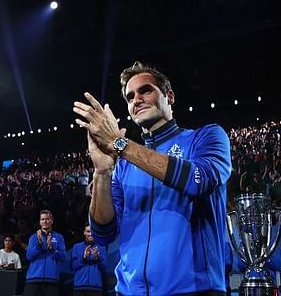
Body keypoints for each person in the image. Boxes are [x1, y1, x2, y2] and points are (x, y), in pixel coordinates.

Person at [73, 61, 232, 296]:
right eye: (129, 97)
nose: (136, 99)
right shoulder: (124, 165)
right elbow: (103, 234)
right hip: (128, 291)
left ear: (169, 97)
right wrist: (102, 172)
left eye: (145, 90)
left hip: (194, 290)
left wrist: (121, 145)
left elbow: (199, 180)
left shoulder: (206, 137)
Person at [23, 210, 66, 296]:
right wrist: (39, 246)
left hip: (52, 280)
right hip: (33, 279)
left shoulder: (59, 237)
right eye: (42, 219)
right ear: (39, 222)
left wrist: (52, 249)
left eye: (47, 219)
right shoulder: (33, 237)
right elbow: (29, 257)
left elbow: (63, 257)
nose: (45, 221)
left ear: (52, 221)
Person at [71, 222, 107, 296]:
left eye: (92, 231)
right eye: (88, 231)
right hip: (79, 288)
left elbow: (104, 268)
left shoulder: (102, 247)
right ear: (84, 232)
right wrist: (83, 257)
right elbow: (72, 266)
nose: (90, 234)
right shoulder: (76, 247)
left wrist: (97, 258)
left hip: (96, 289)